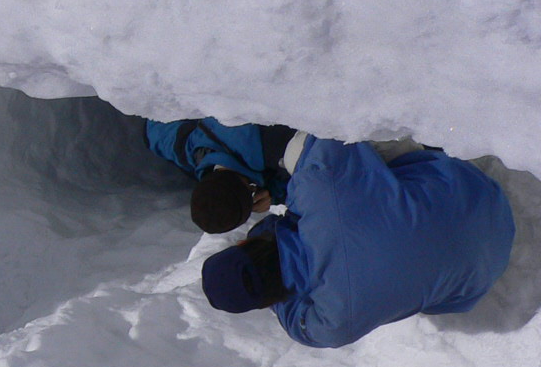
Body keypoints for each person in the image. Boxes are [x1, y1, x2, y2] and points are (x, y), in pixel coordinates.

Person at [199, 137, 514, 348]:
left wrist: (269, 290)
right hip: (477, 192)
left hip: (487, 267)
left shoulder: (327, 323)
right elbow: (328, 139)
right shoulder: (317, 188)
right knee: (308, 151)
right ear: (241, 246)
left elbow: (297, 324)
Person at [144, 117, 296, 233]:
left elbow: (311, 171)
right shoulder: (185, 148)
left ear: (251, 190)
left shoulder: (277, 149)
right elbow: (153, 131)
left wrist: (275, 193)